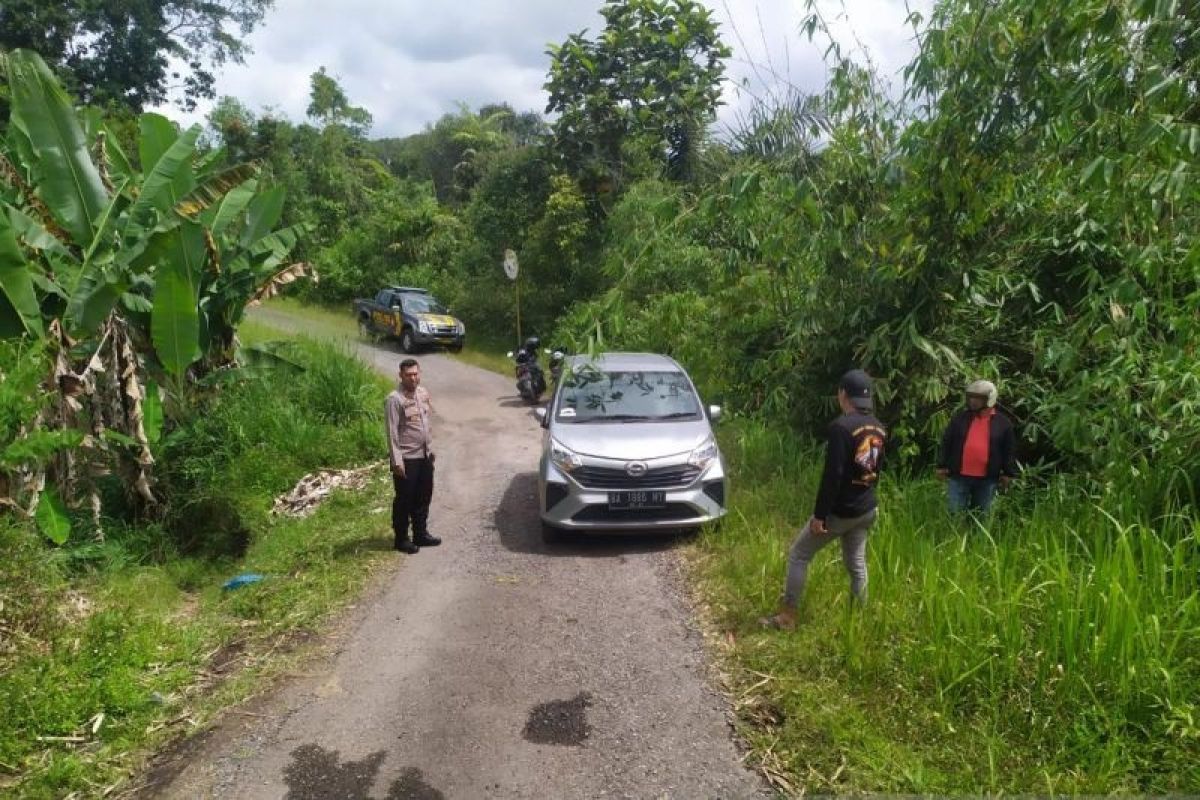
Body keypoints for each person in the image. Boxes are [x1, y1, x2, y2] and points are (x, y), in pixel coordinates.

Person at [760, 369, 887, 630]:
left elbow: (833, 476)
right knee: (857, 564)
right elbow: (875, 469)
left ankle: (787, 618)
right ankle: (859, 619)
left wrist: (820, 516)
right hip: (866, 508)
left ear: (843, 395)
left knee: (799, 554)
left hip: (841, 512)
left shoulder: (842, 427)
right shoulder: (879, 427)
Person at [935, 379, 1018, 514]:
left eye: (978, 398)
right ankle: (955, 535)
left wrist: (1008, 473)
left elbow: (1008, 450)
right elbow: (947, 442)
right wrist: (941, 465)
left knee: (982, 514)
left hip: (987, 479)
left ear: (990, 399)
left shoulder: (1003, 423)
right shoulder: (960, 418)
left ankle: (978, 536)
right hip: (959, 476)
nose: (973, 401)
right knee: (955, 513)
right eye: (971, 397)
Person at [385, 359, 441, 553]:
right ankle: (401, 539)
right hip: (407, 458)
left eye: (416, 374)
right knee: (404, 500)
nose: (413, 378)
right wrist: (396, 461)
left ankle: (420, 534)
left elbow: (427, 423)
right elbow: (392, 433)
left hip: (424, 456)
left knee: (423, 496)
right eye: (409, 375)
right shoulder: (394, 399)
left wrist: (431, 449)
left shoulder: (422, 394)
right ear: (400, 375)